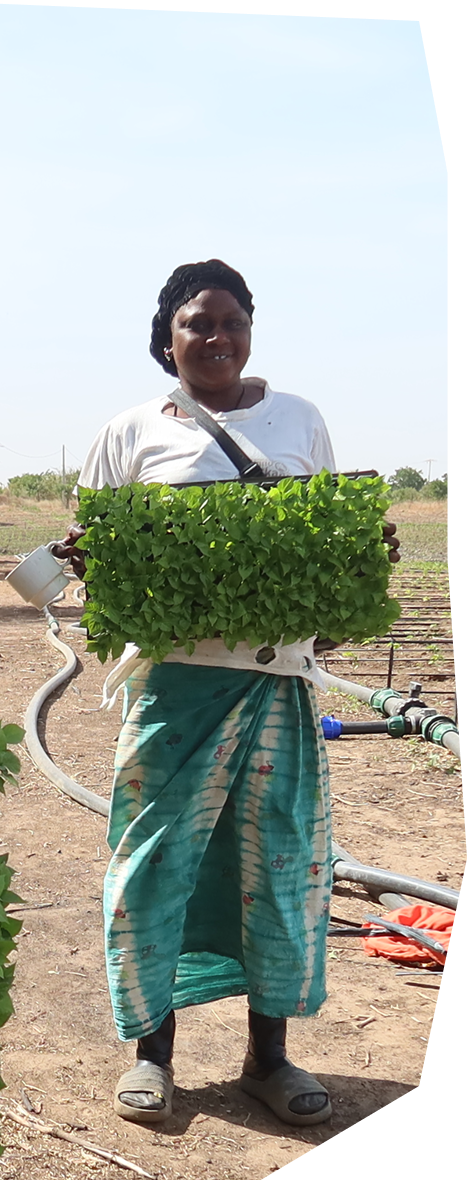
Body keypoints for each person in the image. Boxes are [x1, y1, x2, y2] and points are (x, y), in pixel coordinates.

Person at [53, 259, 399, 1128]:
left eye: (232, 321)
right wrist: (92, 561)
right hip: (174, 688)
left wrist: (356, 565)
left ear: (251, 330)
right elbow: (96, 565)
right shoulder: (130, 432)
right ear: (166, 337)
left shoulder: (300, 420)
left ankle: (267, 1058)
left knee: (278, 868)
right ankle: (153, 1056)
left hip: (277, 684)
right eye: (196, 323)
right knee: (153, 866)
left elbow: (323, 560)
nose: (216, 337)